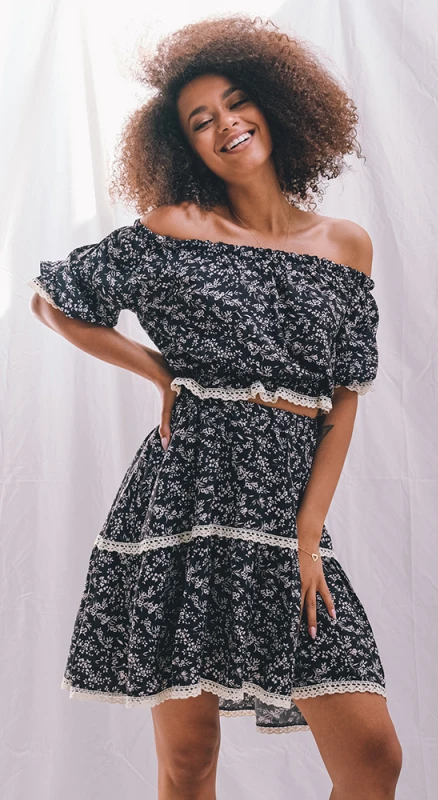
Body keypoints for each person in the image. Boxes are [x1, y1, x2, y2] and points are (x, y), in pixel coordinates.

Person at [27, 14, 402, 800]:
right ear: (185, 147)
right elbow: (53, 301)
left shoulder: (347, 245)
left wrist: (308, 532)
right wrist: (157, 371)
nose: (226, 124)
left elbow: (343, 399)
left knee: (372, 757)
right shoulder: (176, 228)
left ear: (275, 104)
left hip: (282, 508)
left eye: (236, 102)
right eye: (201, 121)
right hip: (184, 500)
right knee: (189, 759)